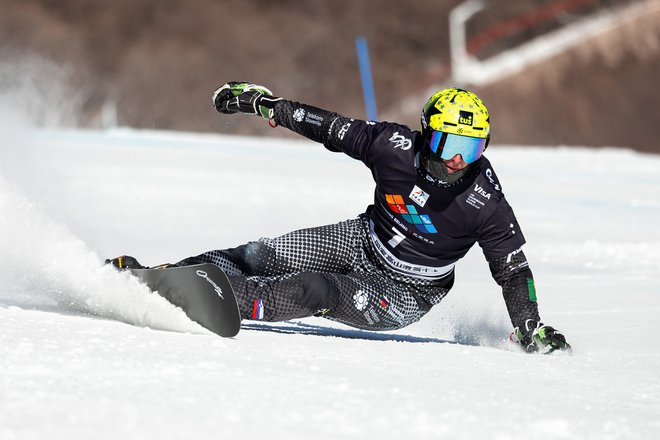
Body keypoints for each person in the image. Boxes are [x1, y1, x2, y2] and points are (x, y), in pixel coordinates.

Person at [108, 82, 570, 353]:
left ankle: (218, 299)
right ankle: (164, 275)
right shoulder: (393, 146)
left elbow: (514, 270)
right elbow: (328, 126)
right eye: (451, 146)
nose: (458, 162)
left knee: (315, 289)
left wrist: (529, 327)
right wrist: (268, 105)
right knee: (260, 254)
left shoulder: (485, 200)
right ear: (428, 136)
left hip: (406, 292)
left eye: (473, 148)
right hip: (361, 240)